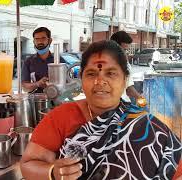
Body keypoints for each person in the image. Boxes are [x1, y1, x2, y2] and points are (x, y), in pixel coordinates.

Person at [20, 40, 182, 179]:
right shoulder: (61, 118)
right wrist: (53, 172)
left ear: (125, 79)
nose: (100, 81)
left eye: (111, 73)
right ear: (81, 79)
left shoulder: (147, 126)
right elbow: (28, 165)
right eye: (91, 74)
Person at [22, 27, 65, 93]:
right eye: (37, 39)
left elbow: (66, 85)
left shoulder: (59, 61)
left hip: (56, 100)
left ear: (50, 40)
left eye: (43, 38)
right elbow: (25, 87)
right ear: (34, 41)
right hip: (35, 101)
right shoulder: (28, 61)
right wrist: (38, 84)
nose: (40, 41)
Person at [110, 31, 142, 102]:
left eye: (126, 50)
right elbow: (129, 89)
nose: (125, 53)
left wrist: (139, 97)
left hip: (121, 105)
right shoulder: (124, 65)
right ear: (113, 47)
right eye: (123, 50)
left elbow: (128, 88)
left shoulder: (125, 64)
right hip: (114, 106)